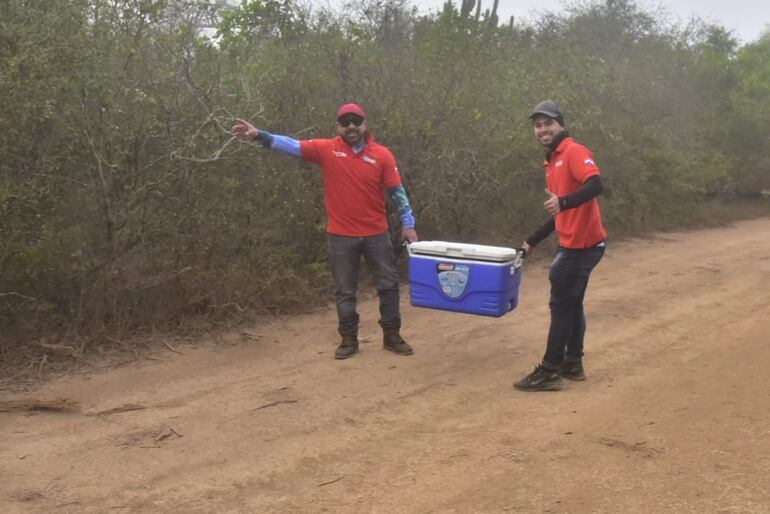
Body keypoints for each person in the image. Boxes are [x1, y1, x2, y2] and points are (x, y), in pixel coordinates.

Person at [231, 103, 418, 360]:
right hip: (340, 235)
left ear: (364, 123)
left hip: (376, 233)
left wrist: (408, 224)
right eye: (345, 122)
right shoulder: (327, 149)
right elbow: (292, 146)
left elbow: (397, 192)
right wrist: (259, 136)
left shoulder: (382, 154)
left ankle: (392, 336)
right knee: (345, 290)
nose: (351, 126)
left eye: (356, 121)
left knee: (388, 286)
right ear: (338, 126)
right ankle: (348, 339)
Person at [514, 100, 607, 392]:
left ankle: (550, 369)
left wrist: (563, 201)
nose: (542, 129)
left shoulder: (574, 152)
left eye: (548, 123)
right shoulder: (552, 161)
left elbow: (595, 185)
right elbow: (560, 213)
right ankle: (572, 362)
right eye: (538, 125)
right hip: (574, 244)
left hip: (582, 246)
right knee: (572, 303)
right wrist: (532, 241)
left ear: (561, 125)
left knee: (561, 305)